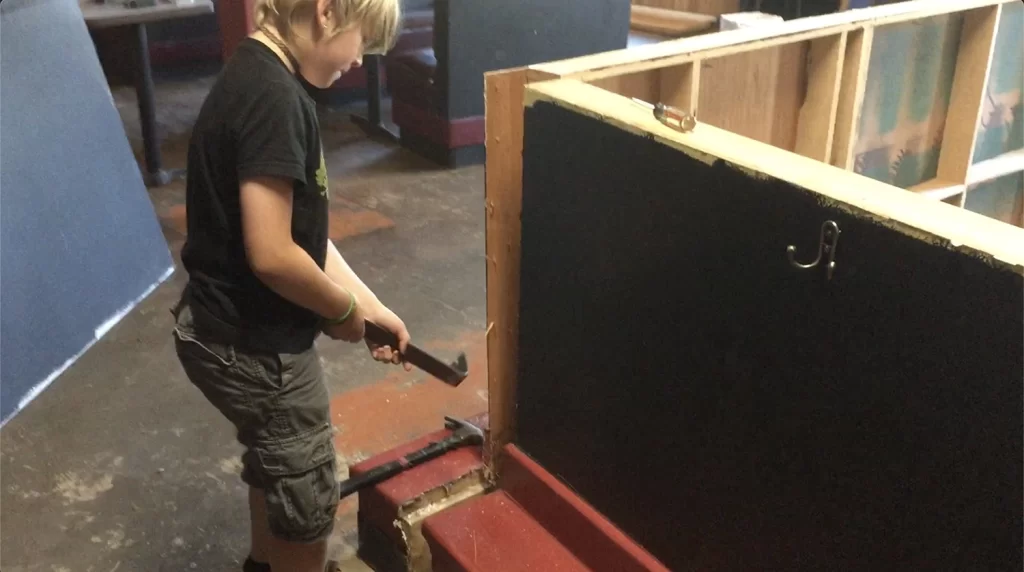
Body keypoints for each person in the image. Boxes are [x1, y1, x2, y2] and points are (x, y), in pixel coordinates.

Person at [169, 0, 406, 570]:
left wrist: (371, 306)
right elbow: (274, 255)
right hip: (256, 346)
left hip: (216, 324)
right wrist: (340, 309)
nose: (359, 62)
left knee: (275, 461)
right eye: (362, 43)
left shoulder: (258, 71)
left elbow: (305, 236)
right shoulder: (274, 99)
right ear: (327, 12)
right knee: (306, 492)